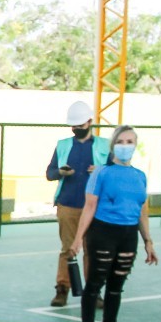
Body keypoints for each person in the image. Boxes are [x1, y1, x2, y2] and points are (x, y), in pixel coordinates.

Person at [69, 125, 159, 322]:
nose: (126, 146)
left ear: (135, 145)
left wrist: (148, 241)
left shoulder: (140, 176)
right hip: (103, 233)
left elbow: (142, 211)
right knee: (95, 284)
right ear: (113, 146)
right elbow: (89, 207)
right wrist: (78, 239)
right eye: (121, 141)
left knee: (116, 287)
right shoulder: (101, 173)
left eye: (130, 142)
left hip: (128, 235)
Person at [47, 100, 112, 308]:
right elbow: (49, 173)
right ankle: (62, 289)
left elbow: (116, 173)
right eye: (73, 126)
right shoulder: (63, 145)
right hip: (67, 204)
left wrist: (101, 171)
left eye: (80, 126)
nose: (76, 130)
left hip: (95, 207)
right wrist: (60, 172)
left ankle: (93, 292)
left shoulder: (105, 145)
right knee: (67, 249)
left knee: (91, 250)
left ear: (90, 122)